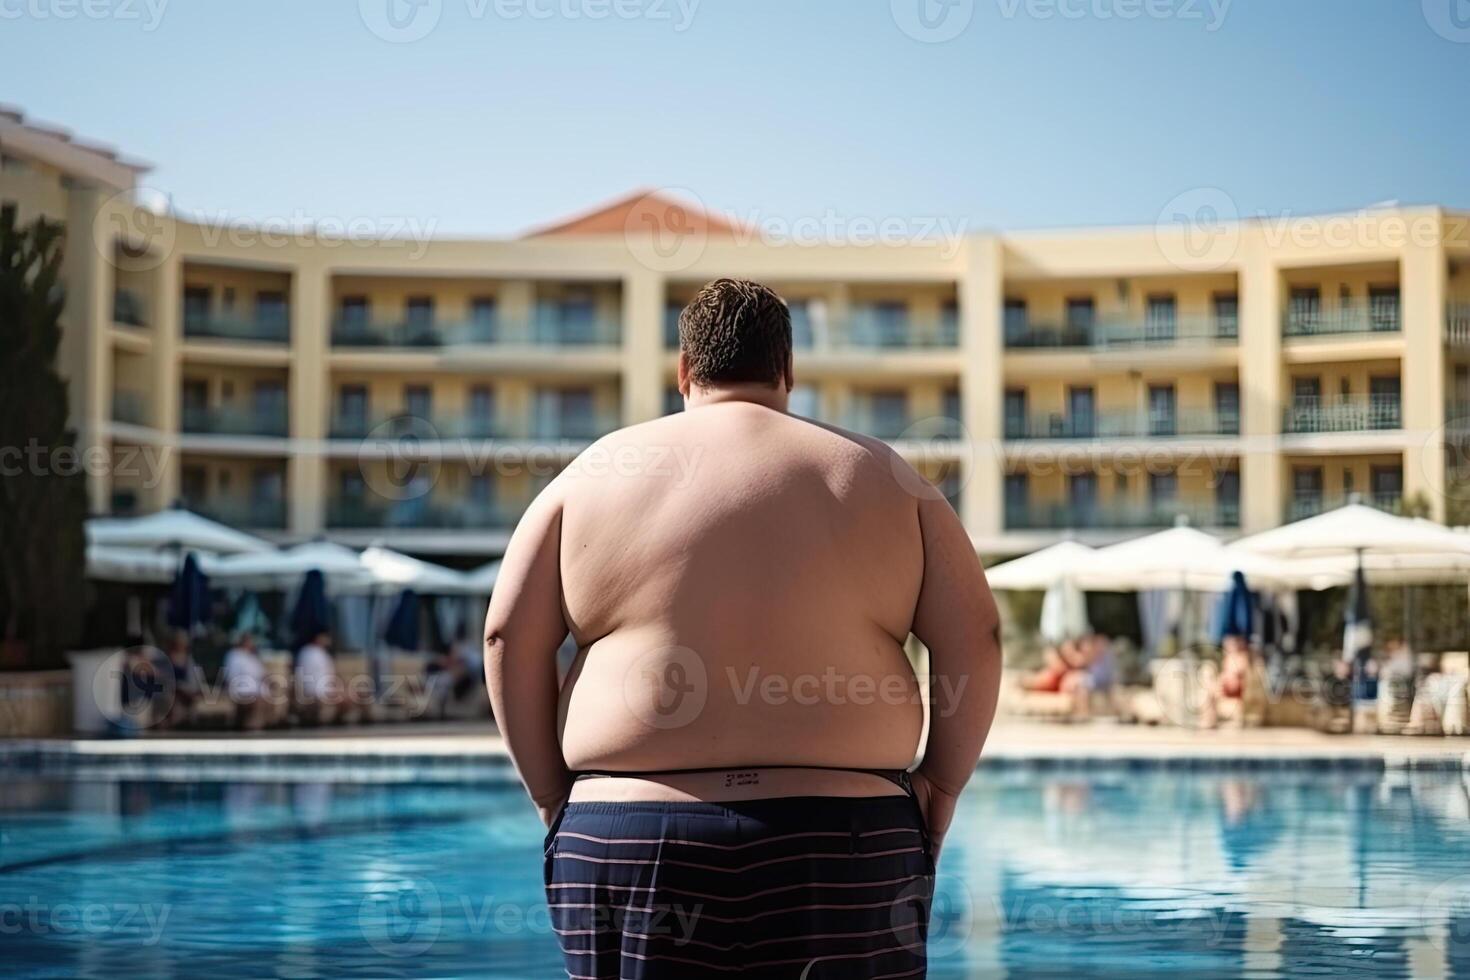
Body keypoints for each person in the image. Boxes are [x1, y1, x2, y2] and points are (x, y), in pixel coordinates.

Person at [486, 278, 1002, 978]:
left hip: (629, 832)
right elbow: (977, 639)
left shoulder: (592, 475)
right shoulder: (889, 478)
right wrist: (939, 788)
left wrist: (552, 795)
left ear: (684, 372)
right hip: (843, 839)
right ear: (788, 373)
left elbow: (507, 638)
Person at [221, 632, 269, 731]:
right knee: (256, 701)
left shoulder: (252, 657)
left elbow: (263, 674)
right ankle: (250, 729)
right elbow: (231, 677)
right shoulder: (234, 655)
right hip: (241, 691)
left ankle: (255, 728)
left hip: (256, 690)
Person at [157, 630, 202, 730]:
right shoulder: (165, 658)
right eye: (178, 643)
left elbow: (195, 680)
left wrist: (188, 689)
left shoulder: (189, 660)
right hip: (169, 692)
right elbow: (161, 678)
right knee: (172, 705)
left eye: (182, 643)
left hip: (186, 692)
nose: (180, 645)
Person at [294, 630, 338, 726]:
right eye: (325, 637)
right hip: (314, 690)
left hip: (324, 688)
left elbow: (330, 674)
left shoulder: (323, 653)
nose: (327, 640)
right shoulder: (307, 652)